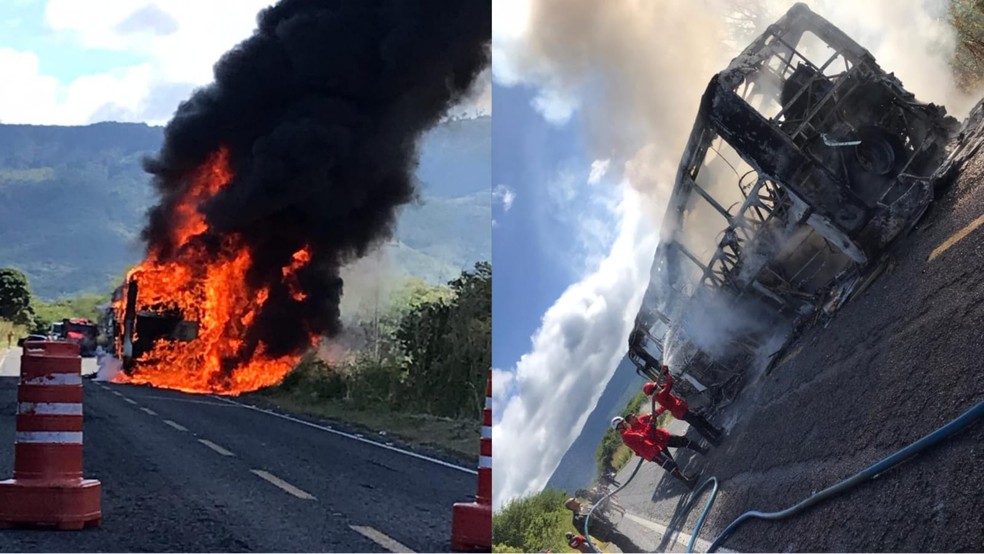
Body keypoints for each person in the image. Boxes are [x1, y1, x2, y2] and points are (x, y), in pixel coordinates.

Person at [612, 414, 706, 489]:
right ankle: (688, 483)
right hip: (651, 453)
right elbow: (643, 436)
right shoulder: (626, 434)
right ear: (619, 426)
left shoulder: (627, 434)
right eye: (622, 422)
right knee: (670, 466)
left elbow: (640, 443)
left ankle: (687, 480)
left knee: (671, 464)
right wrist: (650, 425)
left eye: (624, 422)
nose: (625, 423)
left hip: (652, 450)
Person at [643, 365, 723, 445]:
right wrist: (667, 374)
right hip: (681, 411)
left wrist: (661, 382)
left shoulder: (658, 396)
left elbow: (664, 387)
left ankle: (716, 433)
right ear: (654, 388)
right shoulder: (660, 394)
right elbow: (669, 384)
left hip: (681, 410)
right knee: (699, 425)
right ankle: (714, 441)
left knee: (701, 420)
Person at [564, 497, 642, 553]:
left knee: (623, 541)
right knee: (622, 540)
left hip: (609, 526)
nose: (576, 499)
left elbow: (598, 512)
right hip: (603, 533)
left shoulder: (586, 507)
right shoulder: (576, 519)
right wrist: (588, 518)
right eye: (573, 500)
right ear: (571, 506)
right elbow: (584, 532)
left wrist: (604, 503)